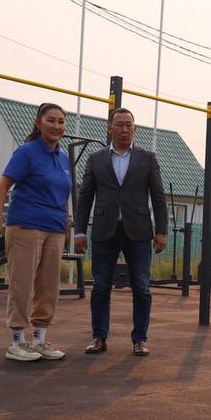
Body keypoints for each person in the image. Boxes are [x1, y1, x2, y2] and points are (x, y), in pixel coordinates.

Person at [74, 108, 168, 357]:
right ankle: (99, 337)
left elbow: (158, 196)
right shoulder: (96, 159)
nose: (125, 129)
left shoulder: (148, 158)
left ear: (134, 129)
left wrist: (162, 231)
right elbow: (85, 197)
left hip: (138, 231)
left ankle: (139, 339)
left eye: (129, 125)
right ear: (110, 128)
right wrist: (79, 232)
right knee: (101, 286)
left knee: (141, 286)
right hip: (105, 230)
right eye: (120, 125)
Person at [0, 102, 73, 362]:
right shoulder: (26, 153)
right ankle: (17, 342)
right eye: (51, 121)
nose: (56, 126)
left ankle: (39, 340)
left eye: (60, 121)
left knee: (48, 287)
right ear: (38, 124)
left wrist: (67, 224)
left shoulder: (64, 157)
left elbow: (65, 194)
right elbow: (3, 185)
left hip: (54, 227)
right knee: (22, 284)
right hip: (26, 225)